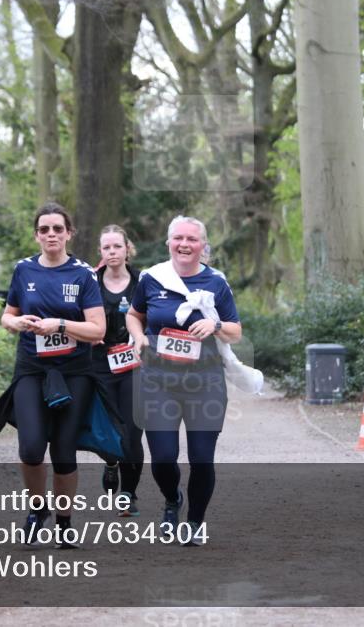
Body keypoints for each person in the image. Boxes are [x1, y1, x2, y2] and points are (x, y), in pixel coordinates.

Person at [0, 202, 105, 549]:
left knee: (64, 451)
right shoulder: (23, 270)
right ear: (36, 235)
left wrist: (61, 324)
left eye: (57, 229)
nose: (51, 234)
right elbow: (7, 315)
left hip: (74, 372)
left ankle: (65, 523)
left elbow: (97, 330)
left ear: (69, 233)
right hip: (32, 369)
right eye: (44, 229)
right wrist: (15, 323)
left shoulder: (83, 274)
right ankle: (38, 511)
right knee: (32, 446)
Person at [126, 216, 243, 546]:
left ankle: (193, 521)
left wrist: (215, 326)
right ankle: (172, 498)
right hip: (157, 380)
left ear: (203, 246)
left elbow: (236, 330)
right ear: (169, 243)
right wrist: (138, 337)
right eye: (178, 238)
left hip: (204, 381)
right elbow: (134, 315)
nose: (184, 244)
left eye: (192, 239)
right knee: (163, 458)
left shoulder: (216, 283)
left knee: (202, 459)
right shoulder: (152, 279)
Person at [93, 225, 144, 517]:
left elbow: (155, 314)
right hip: (98, 364)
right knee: (106, 428)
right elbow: (77, 313)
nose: (112, 252)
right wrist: (90, 332)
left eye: (117, 246)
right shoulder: (91, 282)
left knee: (132, 431)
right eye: (106, 248)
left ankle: (128, 493)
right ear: (101, 252)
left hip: (133, 364)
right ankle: (111, 462)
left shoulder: (143, 281)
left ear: (127, 249)